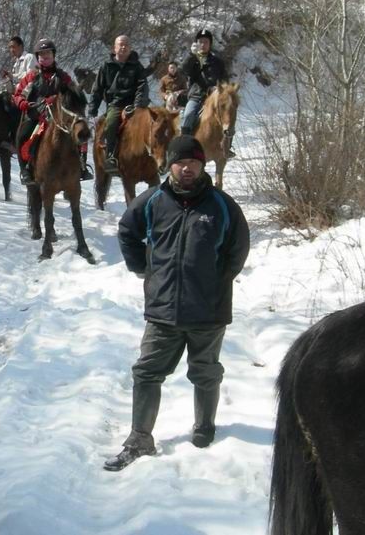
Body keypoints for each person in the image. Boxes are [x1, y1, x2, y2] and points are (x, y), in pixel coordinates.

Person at [104, 135, 250, 471]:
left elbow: (238, 250)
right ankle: (140, 437)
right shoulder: (154, 200)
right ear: (169, 164)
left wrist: (216, 281)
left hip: (208, 312)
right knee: (146, 372)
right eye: (181, 162)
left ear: (202, 166)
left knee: (206, 372)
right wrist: (144, 268)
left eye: (194, 163)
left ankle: (204, 425)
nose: (187, 168)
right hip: (163, 310)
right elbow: (127, 229)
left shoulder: (223, 206)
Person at [13, 38, 91, 183]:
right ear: (37, 57)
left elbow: (75, 94)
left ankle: (82, 166)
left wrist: (59, 99)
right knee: (21, 136)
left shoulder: (63, 77)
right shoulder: (32, 75)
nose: (45, 56)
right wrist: (23, 102)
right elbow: (18, 94)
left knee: (80, 132)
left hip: (60, 117)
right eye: (41, 54)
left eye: (48, 52)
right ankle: (25, 171)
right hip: (37, 115)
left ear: (53, 55)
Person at [87, 35, 150, 174]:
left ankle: (153, 157)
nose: (123, 47)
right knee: (111, 123)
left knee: (152, 124)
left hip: (135, 104)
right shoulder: (106, 66)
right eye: (120, 44)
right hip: (115, 104)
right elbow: (97, 89)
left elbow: (142, 87)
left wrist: (138, 106)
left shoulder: (137, 66)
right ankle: (111, 156)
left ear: (130, 48)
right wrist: (92, 110)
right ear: (114, 48)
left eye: (126, 44)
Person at [180, 29, 228, 137]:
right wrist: (191, 55)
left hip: (214, 96)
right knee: (188, 114)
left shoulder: (218, 62)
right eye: (200, 42)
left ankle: (227, 145)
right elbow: (182, 71)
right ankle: (184, 140)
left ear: (210, 44)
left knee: (228, 114)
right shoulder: (192, 59)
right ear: (196, 43)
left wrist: (218, 88)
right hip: (196, 96)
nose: (203, 44)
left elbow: (225, 80)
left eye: (206, 42)